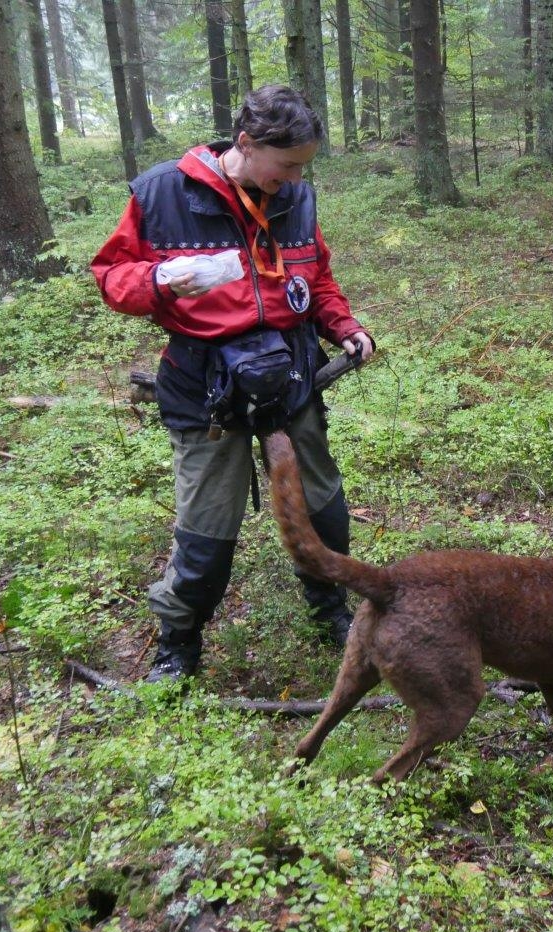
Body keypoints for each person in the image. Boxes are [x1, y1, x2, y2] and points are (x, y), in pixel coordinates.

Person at [91, 85, 374, 682]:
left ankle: (331, 607)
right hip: (203, 382)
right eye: (288, 165)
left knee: (320, 501)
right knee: (207, 523)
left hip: (290, 373)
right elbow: (113, 278)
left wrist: (343, 325)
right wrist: (163, 279)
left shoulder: (296, 197)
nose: (296, 178)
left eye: (305, 166)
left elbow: (315, 276)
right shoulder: (162, 192)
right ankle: (179, 643)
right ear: (245, 144)